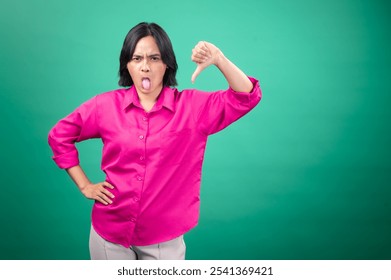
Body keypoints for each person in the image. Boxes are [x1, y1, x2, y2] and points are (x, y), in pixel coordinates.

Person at [48, 22, 262, 260]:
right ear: (127, 65)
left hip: (164, 241)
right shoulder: (104, 106)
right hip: (109, 236)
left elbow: (246, 97)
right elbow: (60, 135)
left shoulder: (192, 108)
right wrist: (85, 186)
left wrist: (220, 59)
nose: (145, 67)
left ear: (167, 64)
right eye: (137, 58)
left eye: (154, 58)